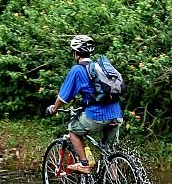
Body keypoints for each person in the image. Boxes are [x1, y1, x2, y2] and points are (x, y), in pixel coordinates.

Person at [45, 34, 122, 173]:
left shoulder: (78, 70)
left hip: (97, 115)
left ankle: (84, 163)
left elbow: (63, 97)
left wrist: (54, 109)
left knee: (73, 130)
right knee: (108, 153)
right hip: (116, 114)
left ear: (75, 52)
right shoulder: (99, 67)